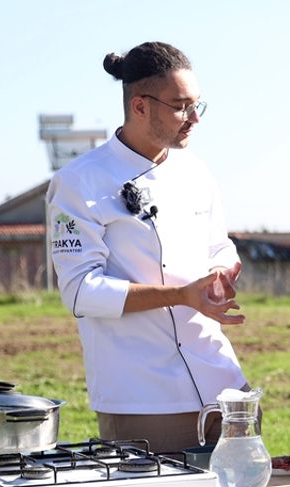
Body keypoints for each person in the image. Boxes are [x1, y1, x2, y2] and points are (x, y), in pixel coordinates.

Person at [46, 41, 248, 454]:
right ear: (139, 106)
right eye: (181, 107)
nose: (194, 118)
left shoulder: (197, 171)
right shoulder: (79, 181)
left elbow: (219, 245)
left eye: (197, 105)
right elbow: (81, 291)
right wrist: (180, 295)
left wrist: (222, 270)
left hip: (223, 381)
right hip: (144, 395)